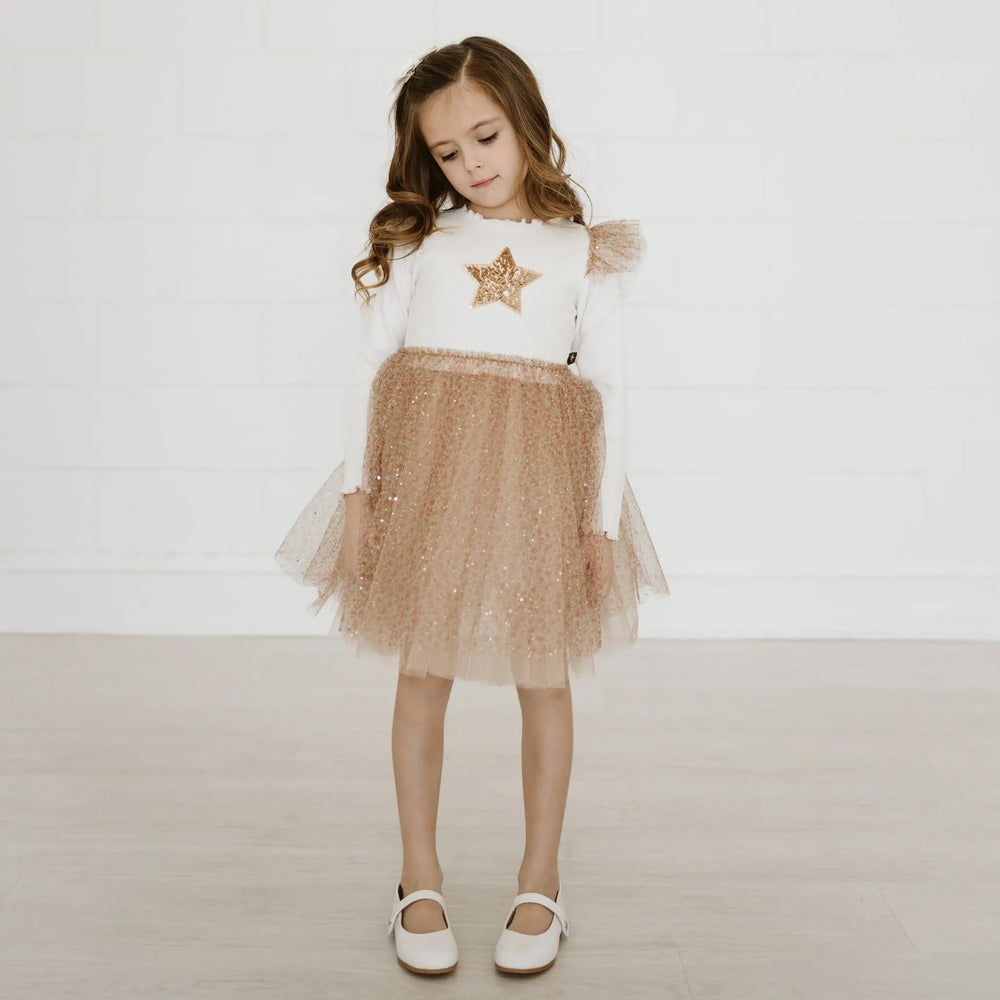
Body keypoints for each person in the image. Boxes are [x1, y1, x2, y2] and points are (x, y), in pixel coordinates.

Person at [274, 36, 669, 977]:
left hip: (543, 480)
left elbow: (608, 392)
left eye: (486, 136)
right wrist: (362, 493)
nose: (472, 163)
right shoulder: (422, 243)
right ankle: (419, 875)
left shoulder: (583, 253)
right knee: (423, 666)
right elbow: (372, 370)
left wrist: (600, 525)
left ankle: (542, 880)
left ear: (526, 121)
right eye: (448, 153)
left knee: (545, 673)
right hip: (432, 476)